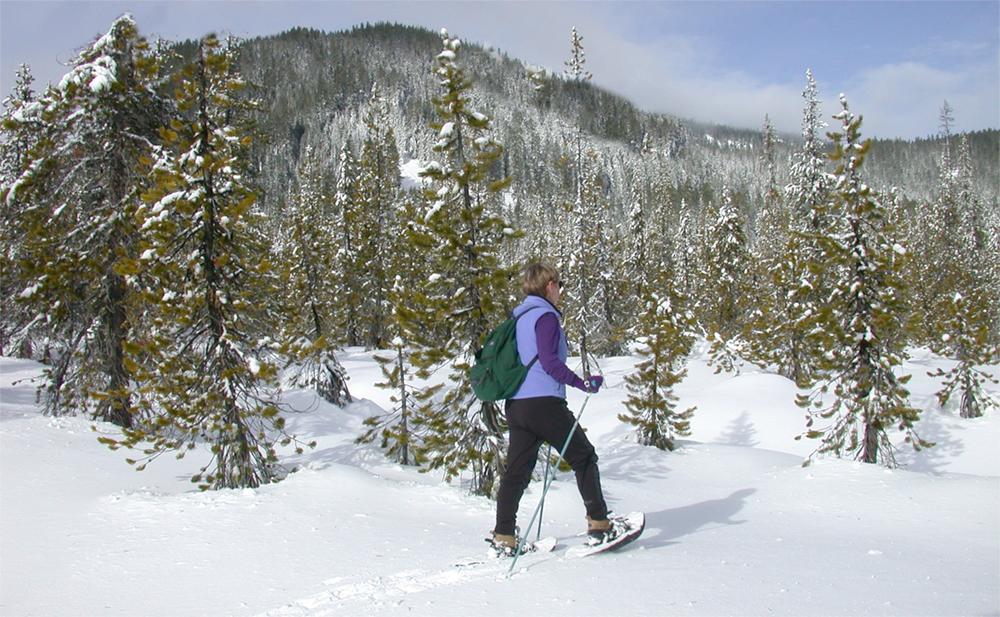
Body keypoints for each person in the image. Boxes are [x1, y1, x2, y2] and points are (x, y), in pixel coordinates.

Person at [490, 262, 615, 555]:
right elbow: (548, 361)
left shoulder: (519, 316)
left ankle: (504, 534)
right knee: (584, 457)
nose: (560, 291)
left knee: (517, 472)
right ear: (549, 286)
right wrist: (581, 383)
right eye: (558, 285)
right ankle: (599, 524)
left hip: (517, 404)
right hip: (544, 402)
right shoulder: (546, 316)